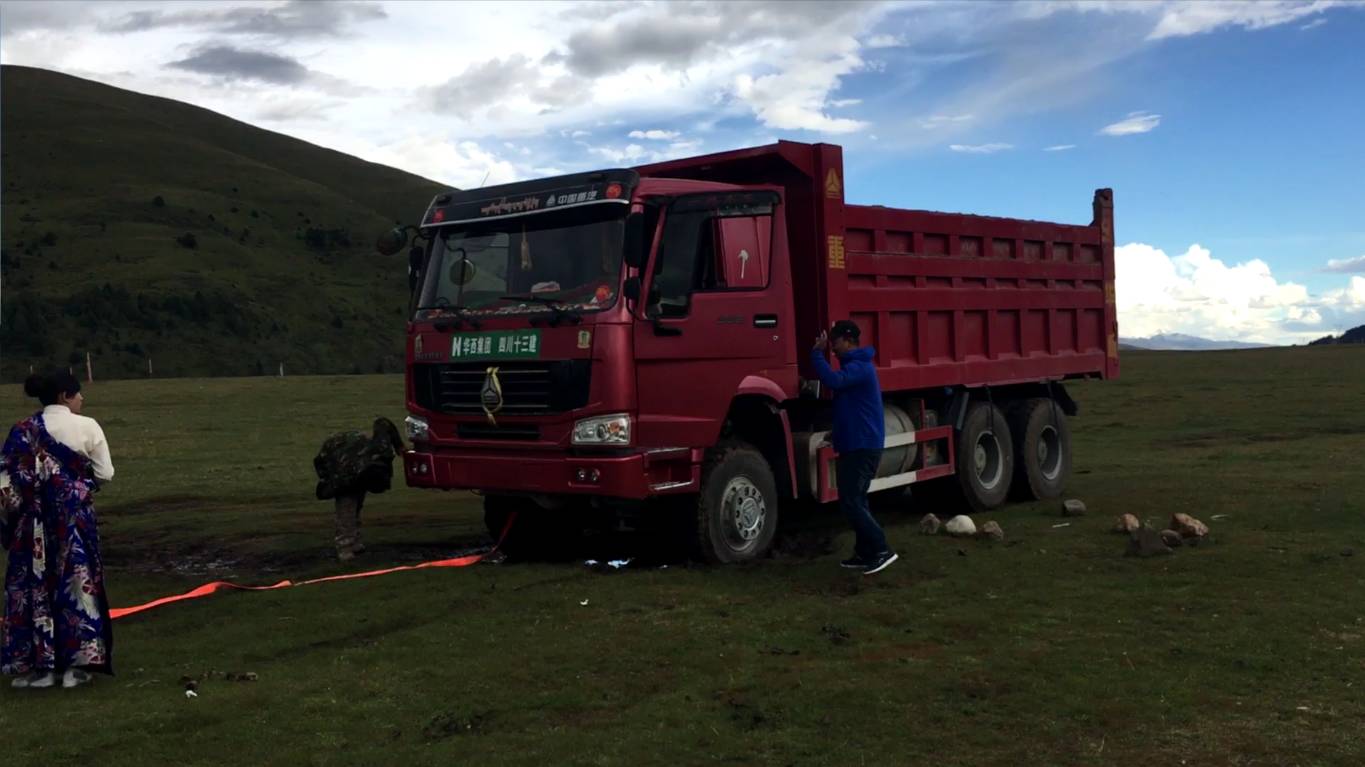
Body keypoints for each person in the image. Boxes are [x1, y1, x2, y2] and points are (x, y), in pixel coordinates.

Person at [1, 370, 116, 689]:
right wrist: (77, 488)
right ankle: (75, 666)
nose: (82, 398)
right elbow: (105, 473)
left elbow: (5, 483)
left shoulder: (22, 430)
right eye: (78, 393)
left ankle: (39, 666)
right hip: (73, 522)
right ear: (65, 396)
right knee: (77, 587)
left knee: (33, 588)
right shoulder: (87, 426)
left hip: (31, 527)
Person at [811, 320, 898, 575]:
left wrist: (816, 354)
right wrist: (836, 434)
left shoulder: (860, 367)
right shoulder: (855, 367)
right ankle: (864, 553)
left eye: (835, 342)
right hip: (854, 443)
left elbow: (833, 381)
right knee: (856, 500)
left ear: (848, 341)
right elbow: (852, 409)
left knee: (851, 501)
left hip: (863, 446)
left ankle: (882, 549)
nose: (833, 348)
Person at [313, 417, 405, 561]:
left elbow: (383, 423)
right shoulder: (346, 473)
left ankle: (354, 542)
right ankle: (345, 547)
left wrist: (399, 446)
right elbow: (334, 475)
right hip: (338, 461)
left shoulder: (378, 452)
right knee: (347, 507)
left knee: (356, 502)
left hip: (353, 459)